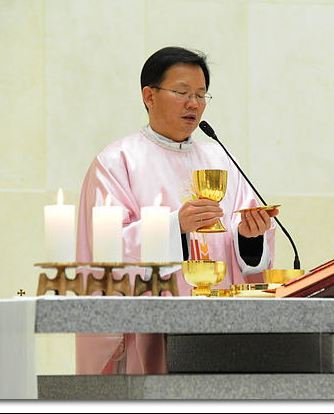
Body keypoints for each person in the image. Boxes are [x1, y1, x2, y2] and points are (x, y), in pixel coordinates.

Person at [75, 46, 278, 375]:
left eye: (200, 94)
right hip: (152, 330)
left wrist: (249, 237)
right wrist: (174, 227)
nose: (193, 103)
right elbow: (106, 251)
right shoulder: (117, 162)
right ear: (149, 96)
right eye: (182, 92)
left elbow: (248, 250)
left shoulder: (220, 160)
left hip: (222, 329)